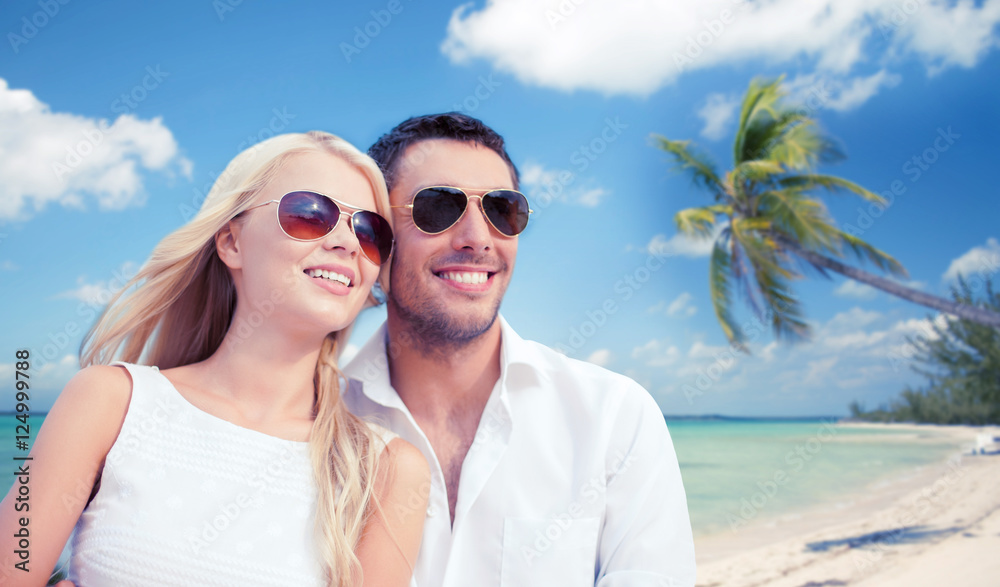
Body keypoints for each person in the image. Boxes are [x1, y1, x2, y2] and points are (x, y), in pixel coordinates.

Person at [0, 131, 429, 587]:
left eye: (369, 231)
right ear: (231, 242)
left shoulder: (386, 469)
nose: (347, 242)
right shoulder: (108, 402)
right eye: (310, 214)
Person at [342, 113, 696, 586]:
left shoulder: (614, 418)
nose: (477, 239)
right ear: (377, 236)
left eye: (501, 210)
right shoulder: (318, 416)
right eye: (437, 208)